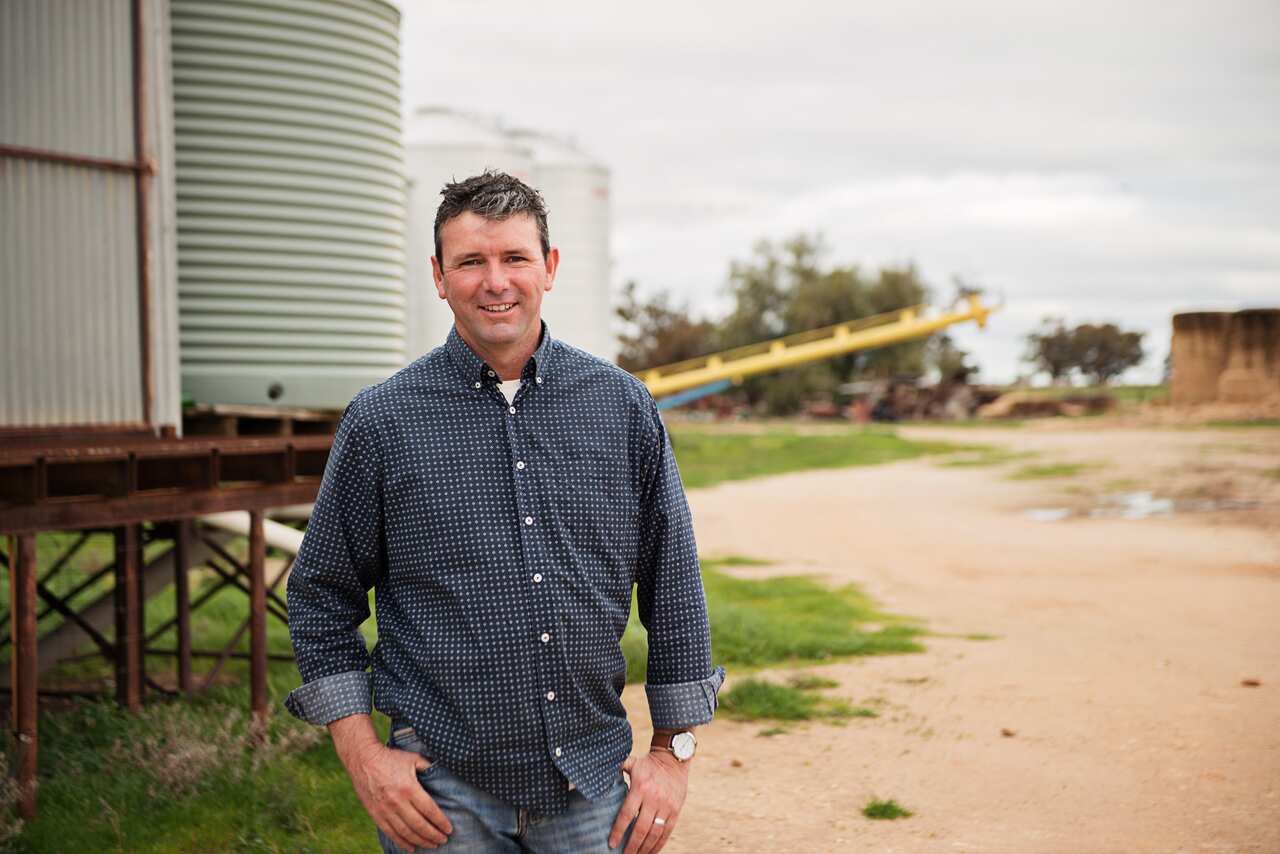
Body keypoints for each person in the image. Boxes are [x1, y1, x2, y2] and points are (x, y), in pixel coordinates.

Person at [284, 170, 725, 854]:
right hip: (439, 796)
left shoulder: (623, 408)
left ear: (548, 267)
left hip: (593, 788)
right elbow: (320, 595)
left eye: (515, 257)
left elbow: (673, 590)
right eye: (471, 262)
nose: (495, 282)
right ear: (439, 276)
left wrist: (673, 754)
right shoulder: (383, 421)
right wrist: (363, 758)